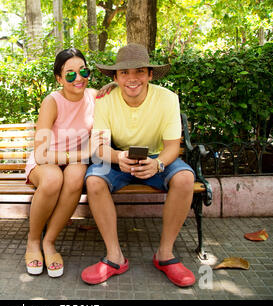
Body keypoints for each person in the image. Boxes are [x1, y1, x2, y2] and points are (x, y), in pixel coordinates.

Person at [81, 43, 197, 287]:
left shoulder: (167, 99)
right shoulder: (104, 101)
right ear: (115, 77)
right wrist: (118, 158)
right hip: (117, 160)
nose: (132, 78)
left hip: (157, 159)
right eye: (124, 73)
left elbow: (172, 147)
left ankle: (165, 255)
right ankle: (115, 257)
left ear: (150, 74)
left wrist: (157, 165)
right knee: (93, 180)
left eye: (139, 71)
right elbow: (100, 148)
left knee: (185, 178)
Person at [24, 48, 109, 278]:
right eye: (70, 74)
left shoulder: (94, 96)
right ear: (59, 78)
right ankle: (33, 241)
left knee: (74, 177)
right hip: (48, 159)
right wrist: (76, 156)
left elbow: (120, 93)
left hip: (76, 160)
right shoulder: (52, 102)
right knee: (53, 179)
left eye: (83, 71)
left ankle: (49, 242)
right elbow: (41, 153)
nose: (78, 78)